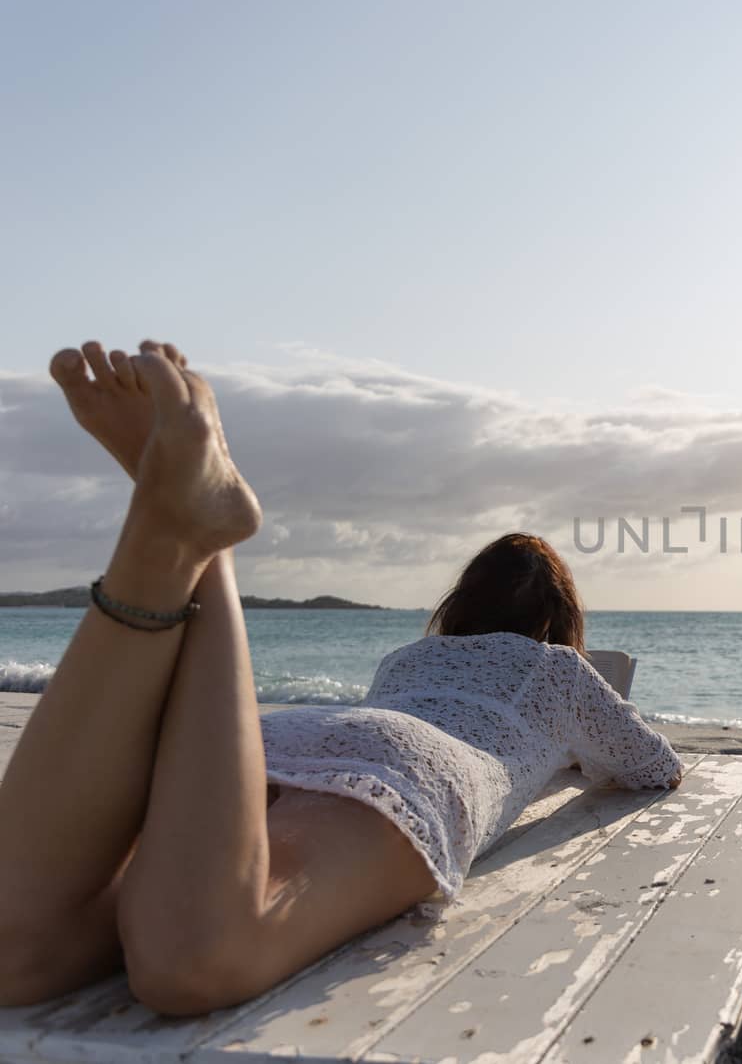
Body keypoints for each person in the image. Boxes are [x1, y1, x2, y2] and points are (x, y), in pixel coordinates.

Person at [0, 341, 682, 1016]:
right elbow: (653, 765)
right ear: (556, 618)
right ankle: (204, 541)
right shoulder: (558, 667)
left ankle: (171, 521)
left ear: (464, 603)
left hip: (289, 742)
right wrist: (569, 753)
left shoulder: (406, 659)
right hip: (412, 770)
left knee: (23, 950)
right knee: (192, 954)